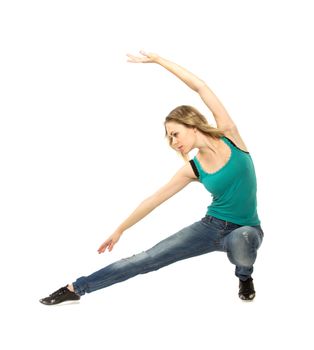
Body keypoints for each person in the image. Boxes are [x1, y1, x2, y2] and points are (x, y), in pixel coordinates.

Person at [40, 51, 264, 305]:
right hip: (210, 227)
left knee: (244, 240)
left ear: (192, 125)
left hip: (246, 230)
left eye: (175, 134)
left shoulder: (230, 136)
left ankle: (244, 276)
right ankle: (76, 288)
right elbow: (154, 199)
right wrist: (120, 229)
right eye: (169, 138)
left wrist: (159, 61)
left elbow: (201, 87)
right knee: (146, 259)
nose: (173, 141)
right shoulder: (193, 168)